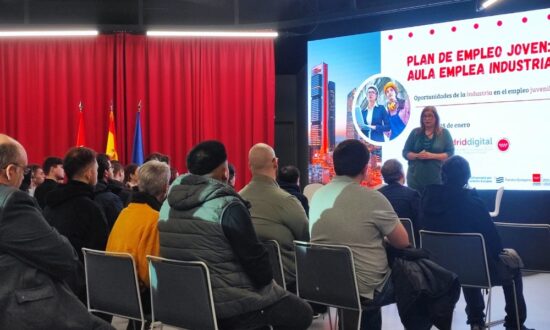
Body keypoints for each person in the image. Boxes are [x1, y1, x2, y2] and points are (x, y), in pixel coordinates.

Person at [158, 140, 312, 330]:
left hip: (185, 302)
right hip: (231, 308)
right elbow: (259, 270)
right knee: (302, 313)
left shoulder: (167, 205)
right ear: (225, 172)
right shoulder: (228, 206)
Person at [0, 134, 112, 329]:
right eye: (24, 170)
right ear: (10, 171)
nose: (25, 176)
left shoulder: (51, 200)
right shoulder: (12, 202)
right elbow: (64, 257)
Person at [420, 156, 533, 330]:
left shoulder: (427, 201)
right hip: (472, 270)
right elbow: (495, 244)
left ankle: (475, 321)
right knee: (510, 265)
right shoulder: (472, 203)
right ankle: (515, 323)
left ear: (443, 175)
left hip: (439, 272)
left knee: (465, 261)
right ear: (467, 177)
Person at [310, 139, 410, 330]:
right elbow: (402, 242)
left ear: (335, 165)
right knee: (415, 280)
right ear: (365, 168)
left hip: (323, 283)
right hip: (363, 288)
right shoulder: (373, 198)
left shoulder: (317, 195)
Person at [106, 160, 170, 330]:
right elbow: (152, 277)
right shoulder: (155, 219)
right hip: (137, 297)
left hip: (112, 288)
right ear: (165, 188)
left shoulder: (125, 212)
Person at [240, 144, 310, 292]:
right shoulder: (287, 201)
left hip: (247, 280)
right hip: (285, 283)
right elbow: (305, 241)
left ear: (249, 166)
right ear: (275, 163)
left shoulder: (237, 199)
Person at [43, 147, 109, 303]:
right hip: (81, 288)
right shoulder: (90, 208)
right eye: (96, 169)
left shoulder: (51, 203)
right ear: (89, 173)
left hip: (53, 282)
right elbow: (99, 252)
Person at [402, 106, 454, 194]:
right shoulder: (415, 132)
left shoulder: (444, 133)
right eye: (424, 116)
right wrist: (417, 156)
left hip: (437, 180)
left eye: (430, 116)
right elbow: (405, 152)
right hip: (415, 180)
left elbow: (450, 153)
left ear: (436, 118)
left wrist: (431, 155)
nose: (427, 119)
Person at [378, 159, 421, 244]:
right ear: (402, 174)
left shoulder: (377, 195)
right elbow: (420, 224)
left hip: (384, 247)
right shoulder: (412, 195)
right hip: (410, 247)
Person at [94, 154, 124, 230]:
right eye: (111, 168)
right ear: (106, 173)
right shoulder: (112, 199)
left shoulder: (87, 193)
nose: (112, 170)